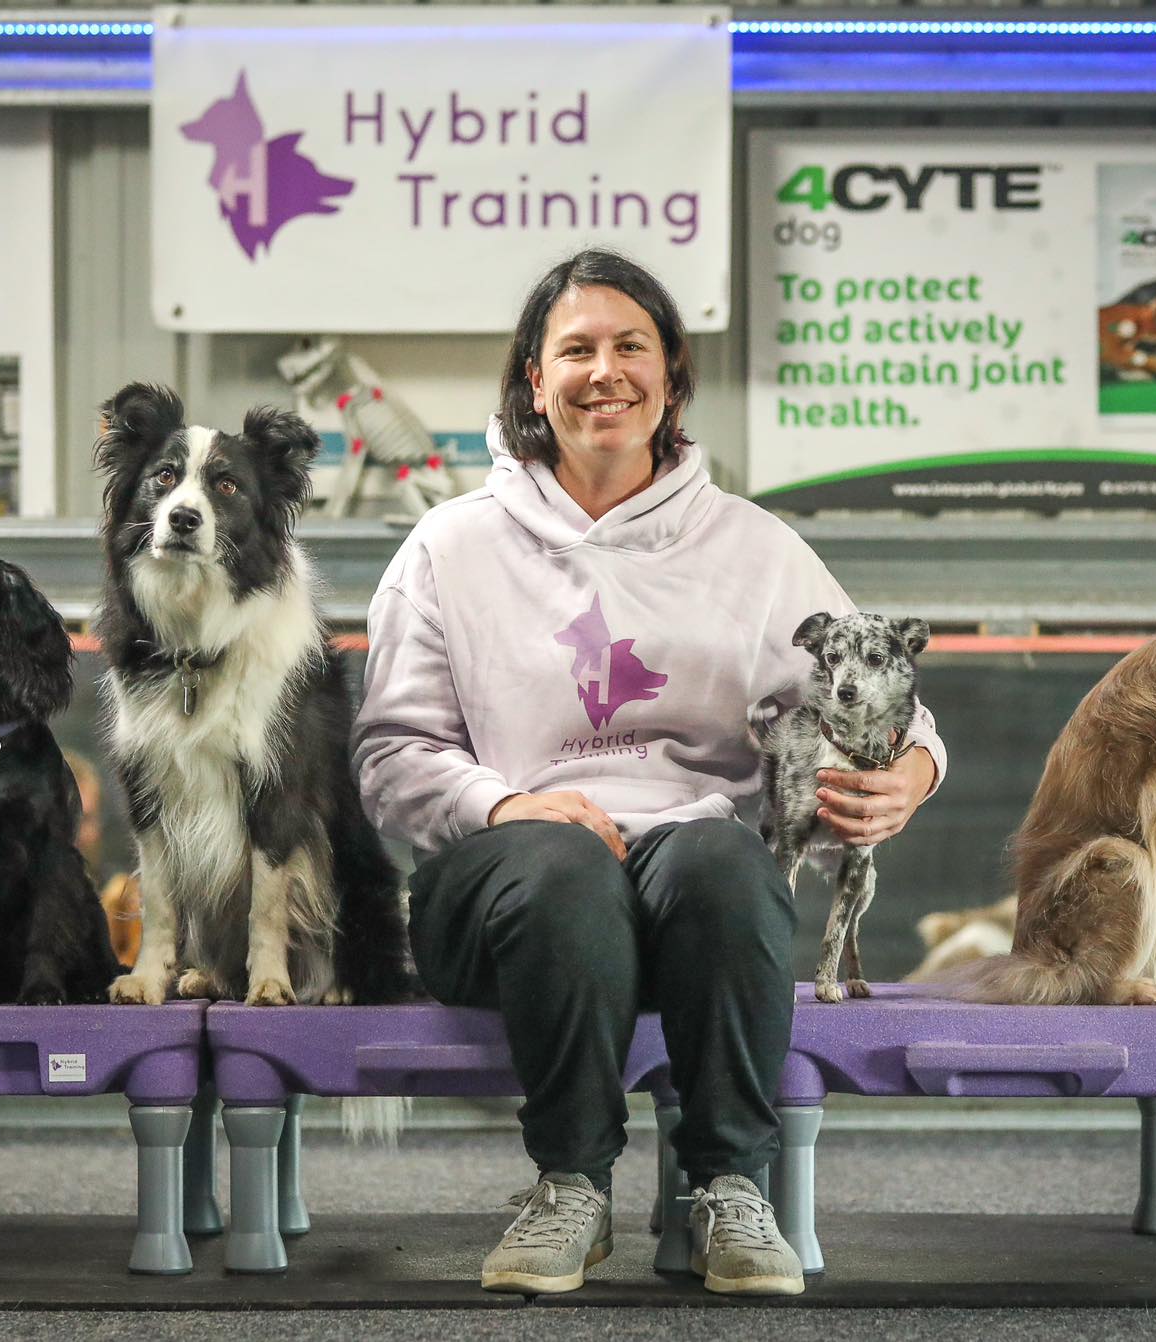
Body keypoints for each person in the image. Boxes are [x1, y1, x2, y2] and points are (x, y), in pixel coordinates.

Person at [351, 249, 946, 1296]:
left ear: (670, 374)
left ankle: (728, 1187)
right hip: (497, 882)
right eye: (572, 349)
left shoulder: (753, 548)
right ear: (532, 382)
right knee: (563, 865)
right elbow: (391, 758)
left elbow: (890, 696)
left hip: (684, 874)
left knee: (726, 861)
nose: (603, 370)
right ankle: (568, 1188)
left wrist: (916, 770)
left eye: (630, 346)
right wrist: (511, 801)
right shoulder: (446, 547)